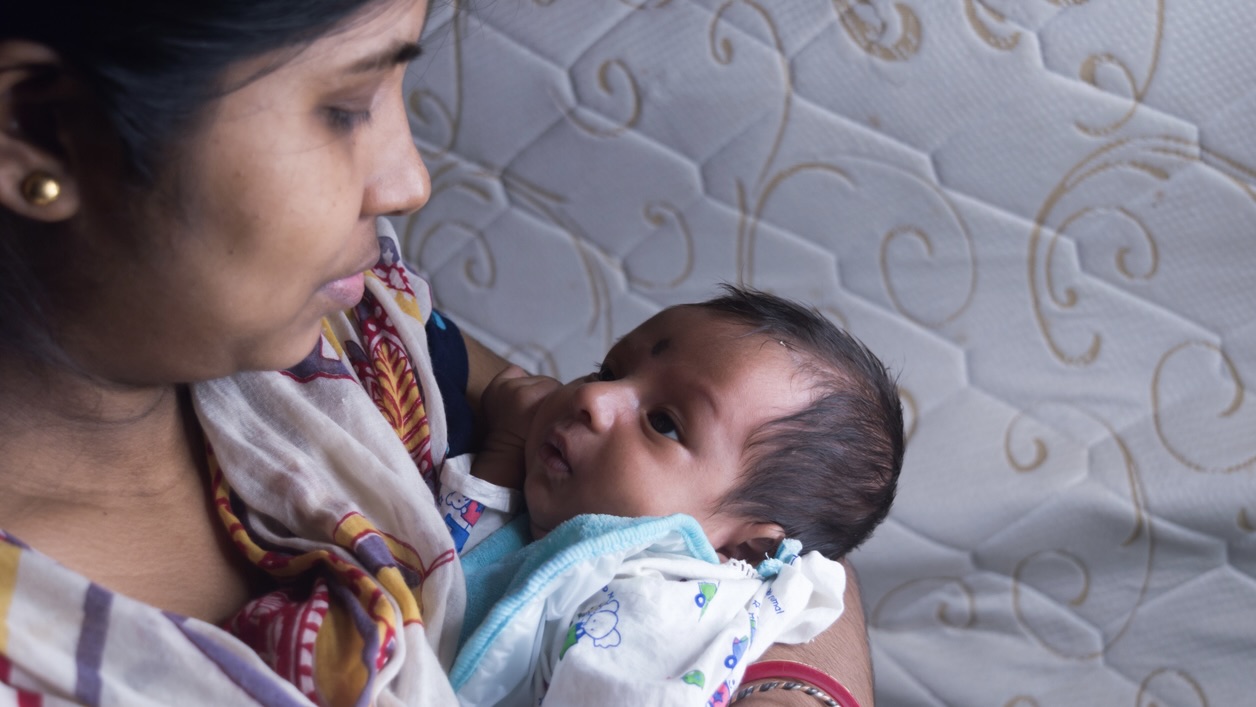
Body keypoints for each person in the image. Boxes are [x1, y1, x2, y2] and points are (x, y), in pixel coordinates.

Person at [0, 1, 878, 704]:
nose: (409, 182)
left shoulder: (363, 321)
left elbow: (791, 542)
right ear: (40, 128)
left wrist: (793, 686)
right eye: (346, 108)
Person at [433, 286, 903, 706]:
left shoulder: (653, 618)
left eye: (663, 424)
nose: (593, 399)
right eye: (608, 371)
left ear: (742, 548)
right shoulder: (583, 530)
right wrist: (507, 448)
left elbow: (438, 595)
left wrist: (504, 450)